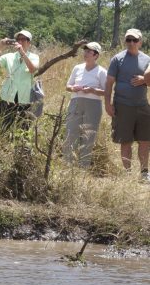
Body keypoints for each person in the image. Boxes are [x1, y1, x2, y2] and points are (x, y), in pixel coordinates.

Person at [104, 29, 150, 181]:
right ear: (125, 41)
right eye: (128, 40)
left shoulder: (147, 59)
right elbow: (109, 82)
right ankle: (127, 173)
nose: (131, 43)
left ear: (140, 42)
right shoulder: (117, 59)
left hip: (142, 106)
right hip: (123, 105)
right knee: (126, 141)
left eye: (134, 40)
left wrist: (144, 79)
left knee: (145, 140)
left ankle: (144, 173)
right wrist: (107, 104)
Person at [63, 42, 107, 168]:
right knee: (71, 133)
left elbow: (106, 92)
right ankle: (68, 166)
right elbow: (67, 86)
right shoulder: (77, 68)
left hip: (93, 105)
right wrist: (74, 88)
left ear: (96, 56)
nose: (85, 53)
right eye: (85, 51)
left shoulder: (102, 71)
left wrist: (92, 90)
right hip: (75, 102)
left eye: (89, 51)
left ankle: (83, 168)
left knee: (88, 135)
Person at [0, 29, 39, 131]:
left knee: (23, 130)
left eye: (23, 39)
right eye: (18, 39)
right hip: (8, 97)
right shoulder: (9, 57)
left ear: (29, 42)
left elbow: (32, 69)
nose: (20, 41)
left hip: (25, 99)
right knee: (4, 128)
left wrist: (22, 53)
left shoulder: (34, 57)